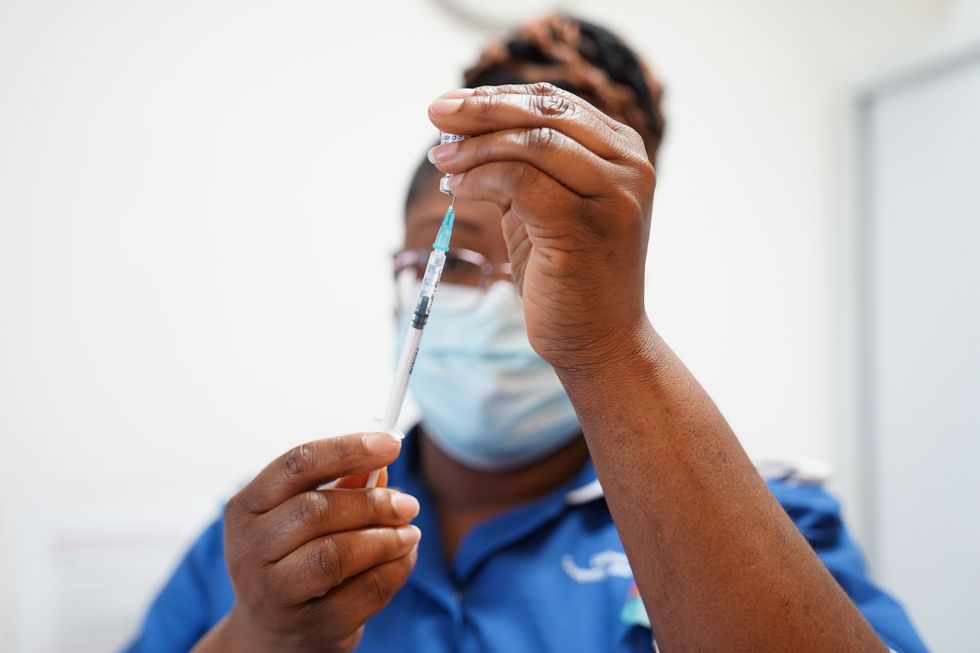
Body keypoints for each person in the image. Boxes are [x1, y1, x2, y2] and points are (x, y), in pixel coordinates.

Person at [125, 15, 926, 653]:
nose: (508, 300)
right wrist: (261, 637)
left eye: (547, 260)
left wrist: (608, 347)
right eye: (461, 262)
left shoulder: (765, 523)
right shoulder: (276, 547)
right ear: (405, 272)